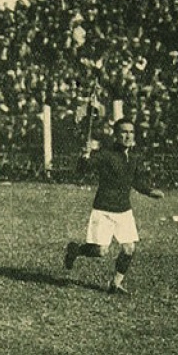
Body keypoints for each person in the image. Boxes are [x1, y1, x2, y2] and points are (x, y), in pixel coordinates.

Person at [64, 119, 165, 294]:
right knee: (100, 251)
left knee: (129, 248)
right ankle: (76, 250)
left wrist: (149, 191)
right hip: (103, 209)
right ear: (116, 135)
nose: (128, 136)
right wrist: (84, 157)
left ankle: (116, 283)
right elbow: (83, 170)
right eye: (124, 132)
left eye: (131, 132)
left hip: (124, 210)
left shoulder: (133, 158)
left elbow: (136, 181)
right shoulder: (106, 155)